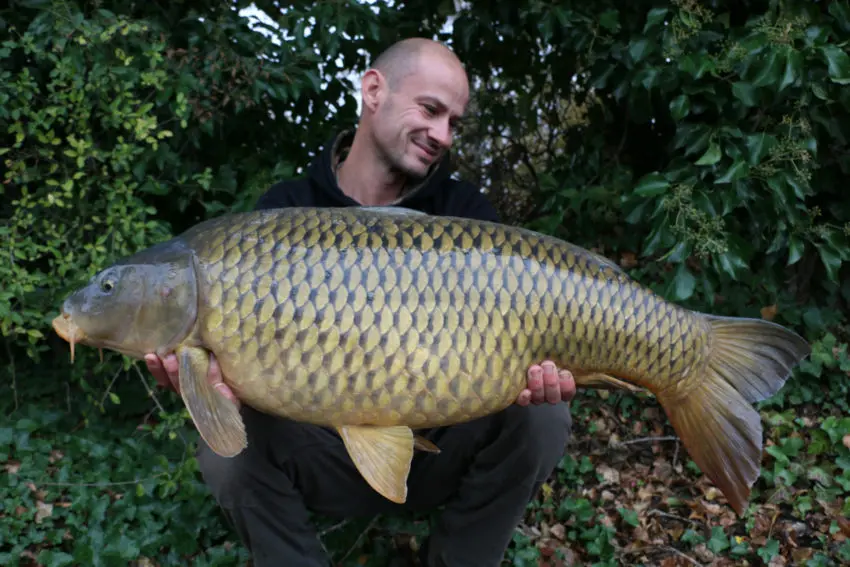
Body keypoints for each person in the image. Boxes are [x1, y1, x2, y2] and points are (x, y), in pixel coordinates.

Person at [145, 38, 576, 567]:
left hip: (440, 450)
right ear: (374, 89)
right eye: (430, 110)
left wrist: (545, 374)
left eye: (454, 122)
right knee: (223, 451)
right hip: (324, 453)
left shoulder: (466, 214)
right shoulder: (282, 213)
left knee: (543, 417)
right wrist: (209, 382)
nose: (442, 135)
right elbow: (238, 387)